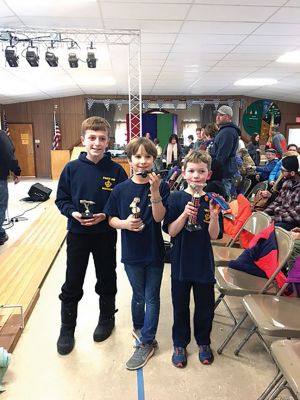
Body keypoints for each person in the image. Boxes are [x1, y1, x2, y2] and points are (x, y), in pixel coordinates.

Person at [55, 116, 128, 356]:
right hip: (77, 233)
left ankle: (107, 318)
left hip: (105, 234)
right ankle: (67, 328)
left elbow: (122, 202)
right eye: (92, 138)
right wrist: (72, 212)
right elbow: (61, 199)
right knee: (73, 279)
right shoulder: (71, 168)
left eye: (102, 138)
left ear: (108, 141)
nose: (97, 143)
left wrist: (105, 214)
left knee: (106, 277)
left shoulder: (117, 170)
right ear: (83, 140)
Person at [104, 137, 170, 370]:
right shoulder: (120, 189)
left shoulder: (161, 186)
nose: (142, 162)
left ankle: (148, 342)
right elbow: (110, 218)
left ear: (154, 159)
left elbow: (160, 218)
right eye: (138, 157)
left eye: (148, 157)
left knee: (151, 297)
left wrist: (154, 191)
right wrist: (124, 224)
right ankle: (140, 327)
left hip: (153, 251)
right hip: (131, 252)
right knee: (138, 294)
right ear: (130, 159)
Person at [163, 150, 222, 368]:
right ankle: (180, 343)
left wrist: (214, 217)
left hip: (203, 262)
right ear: (184, 173)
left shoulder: (213, 200)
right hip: (180, 261)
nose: (196, 176)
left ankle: (204, 341)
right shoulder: (176, 198)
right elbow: (172, 231)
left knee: (205, 305)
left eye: (201, 171)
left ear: (209, 174)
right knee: (180, 305)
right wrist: (184, 214)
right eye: (191, 171)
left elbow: (214, 235)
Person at [264, 155, 300, 231]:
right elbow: (277, 202)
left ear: (292, 173)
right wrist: (264, 214)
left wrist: (275, 217)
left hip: (294, 223)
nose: (281, 173)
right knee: (261, 222)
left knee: (269, 230)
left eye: (283, 171)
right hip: (282, 217)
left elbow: (297, 216)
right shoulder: (286, 182)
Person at [210, 105, 239, 197]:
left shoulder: (228, 132)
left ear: (229, 117)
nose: (217, 117)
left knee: (223, 200)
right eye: (217, 114)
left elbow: (222, 156)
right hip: (224, 171)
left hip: (224, 172)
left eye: (221, 115)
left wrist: (214, 171)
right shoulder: (225, 130)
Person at [0, 129, 21, 245]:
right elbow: (9, 154)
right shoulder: (1, 135)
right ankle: (0, 235)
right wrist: (16, 171)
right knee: (0, 207)